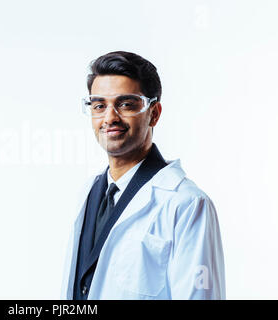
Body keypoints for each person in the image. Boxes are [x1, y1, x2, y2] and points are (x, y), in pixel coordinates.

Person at [60, 51, 225, 300]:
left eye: (126, 104)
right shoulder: (90, 191)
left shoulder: (187, 205)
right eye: (99, 106)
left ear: (154, 113)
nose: (110, 117)